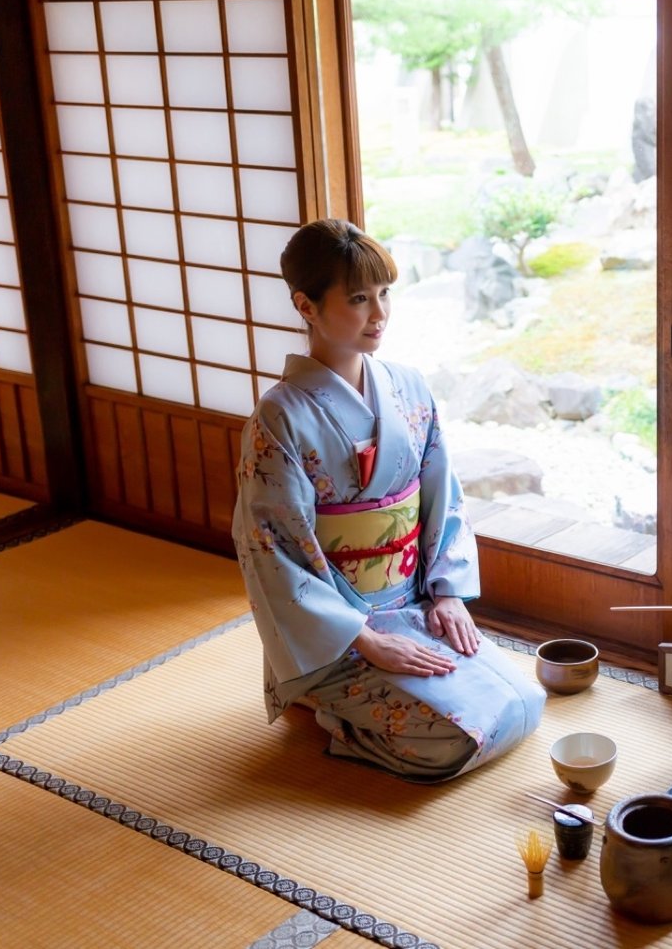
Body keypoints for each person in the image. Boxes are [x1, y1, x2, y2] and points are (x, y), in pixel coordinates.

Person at [232, 219, 545, 781]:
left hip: (415, 605)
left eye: (383, 294)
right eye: (357, 298)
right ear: (306, 305)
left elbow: (442, 497)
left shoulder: (409, 387)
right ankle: (323, 704)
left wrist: (447, 595)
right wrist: (365, 639)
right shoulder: (279, 417)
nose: (379, 314)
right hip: (335, 634)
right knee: (454, 743)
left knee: (522, 705)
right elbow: (270, 549)